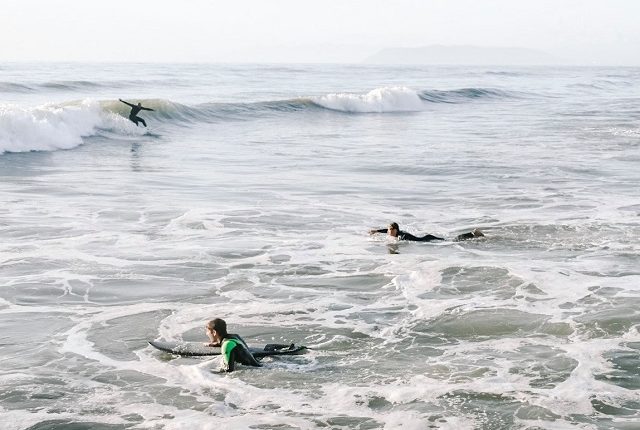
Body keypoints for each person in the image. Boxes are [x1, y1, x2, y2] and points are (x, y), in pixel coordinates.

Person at [369, 222, 444, 242]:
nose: (388, 231)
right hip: (422, 238)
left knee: (442, 241)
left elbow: (400, 241)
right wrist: (376, 231)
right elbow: (385, 230)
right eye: (388, 229)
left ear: (395, 230)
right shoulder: (393, 232)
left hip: (424, 240)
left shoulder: (401, 236)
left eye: (390, 229)